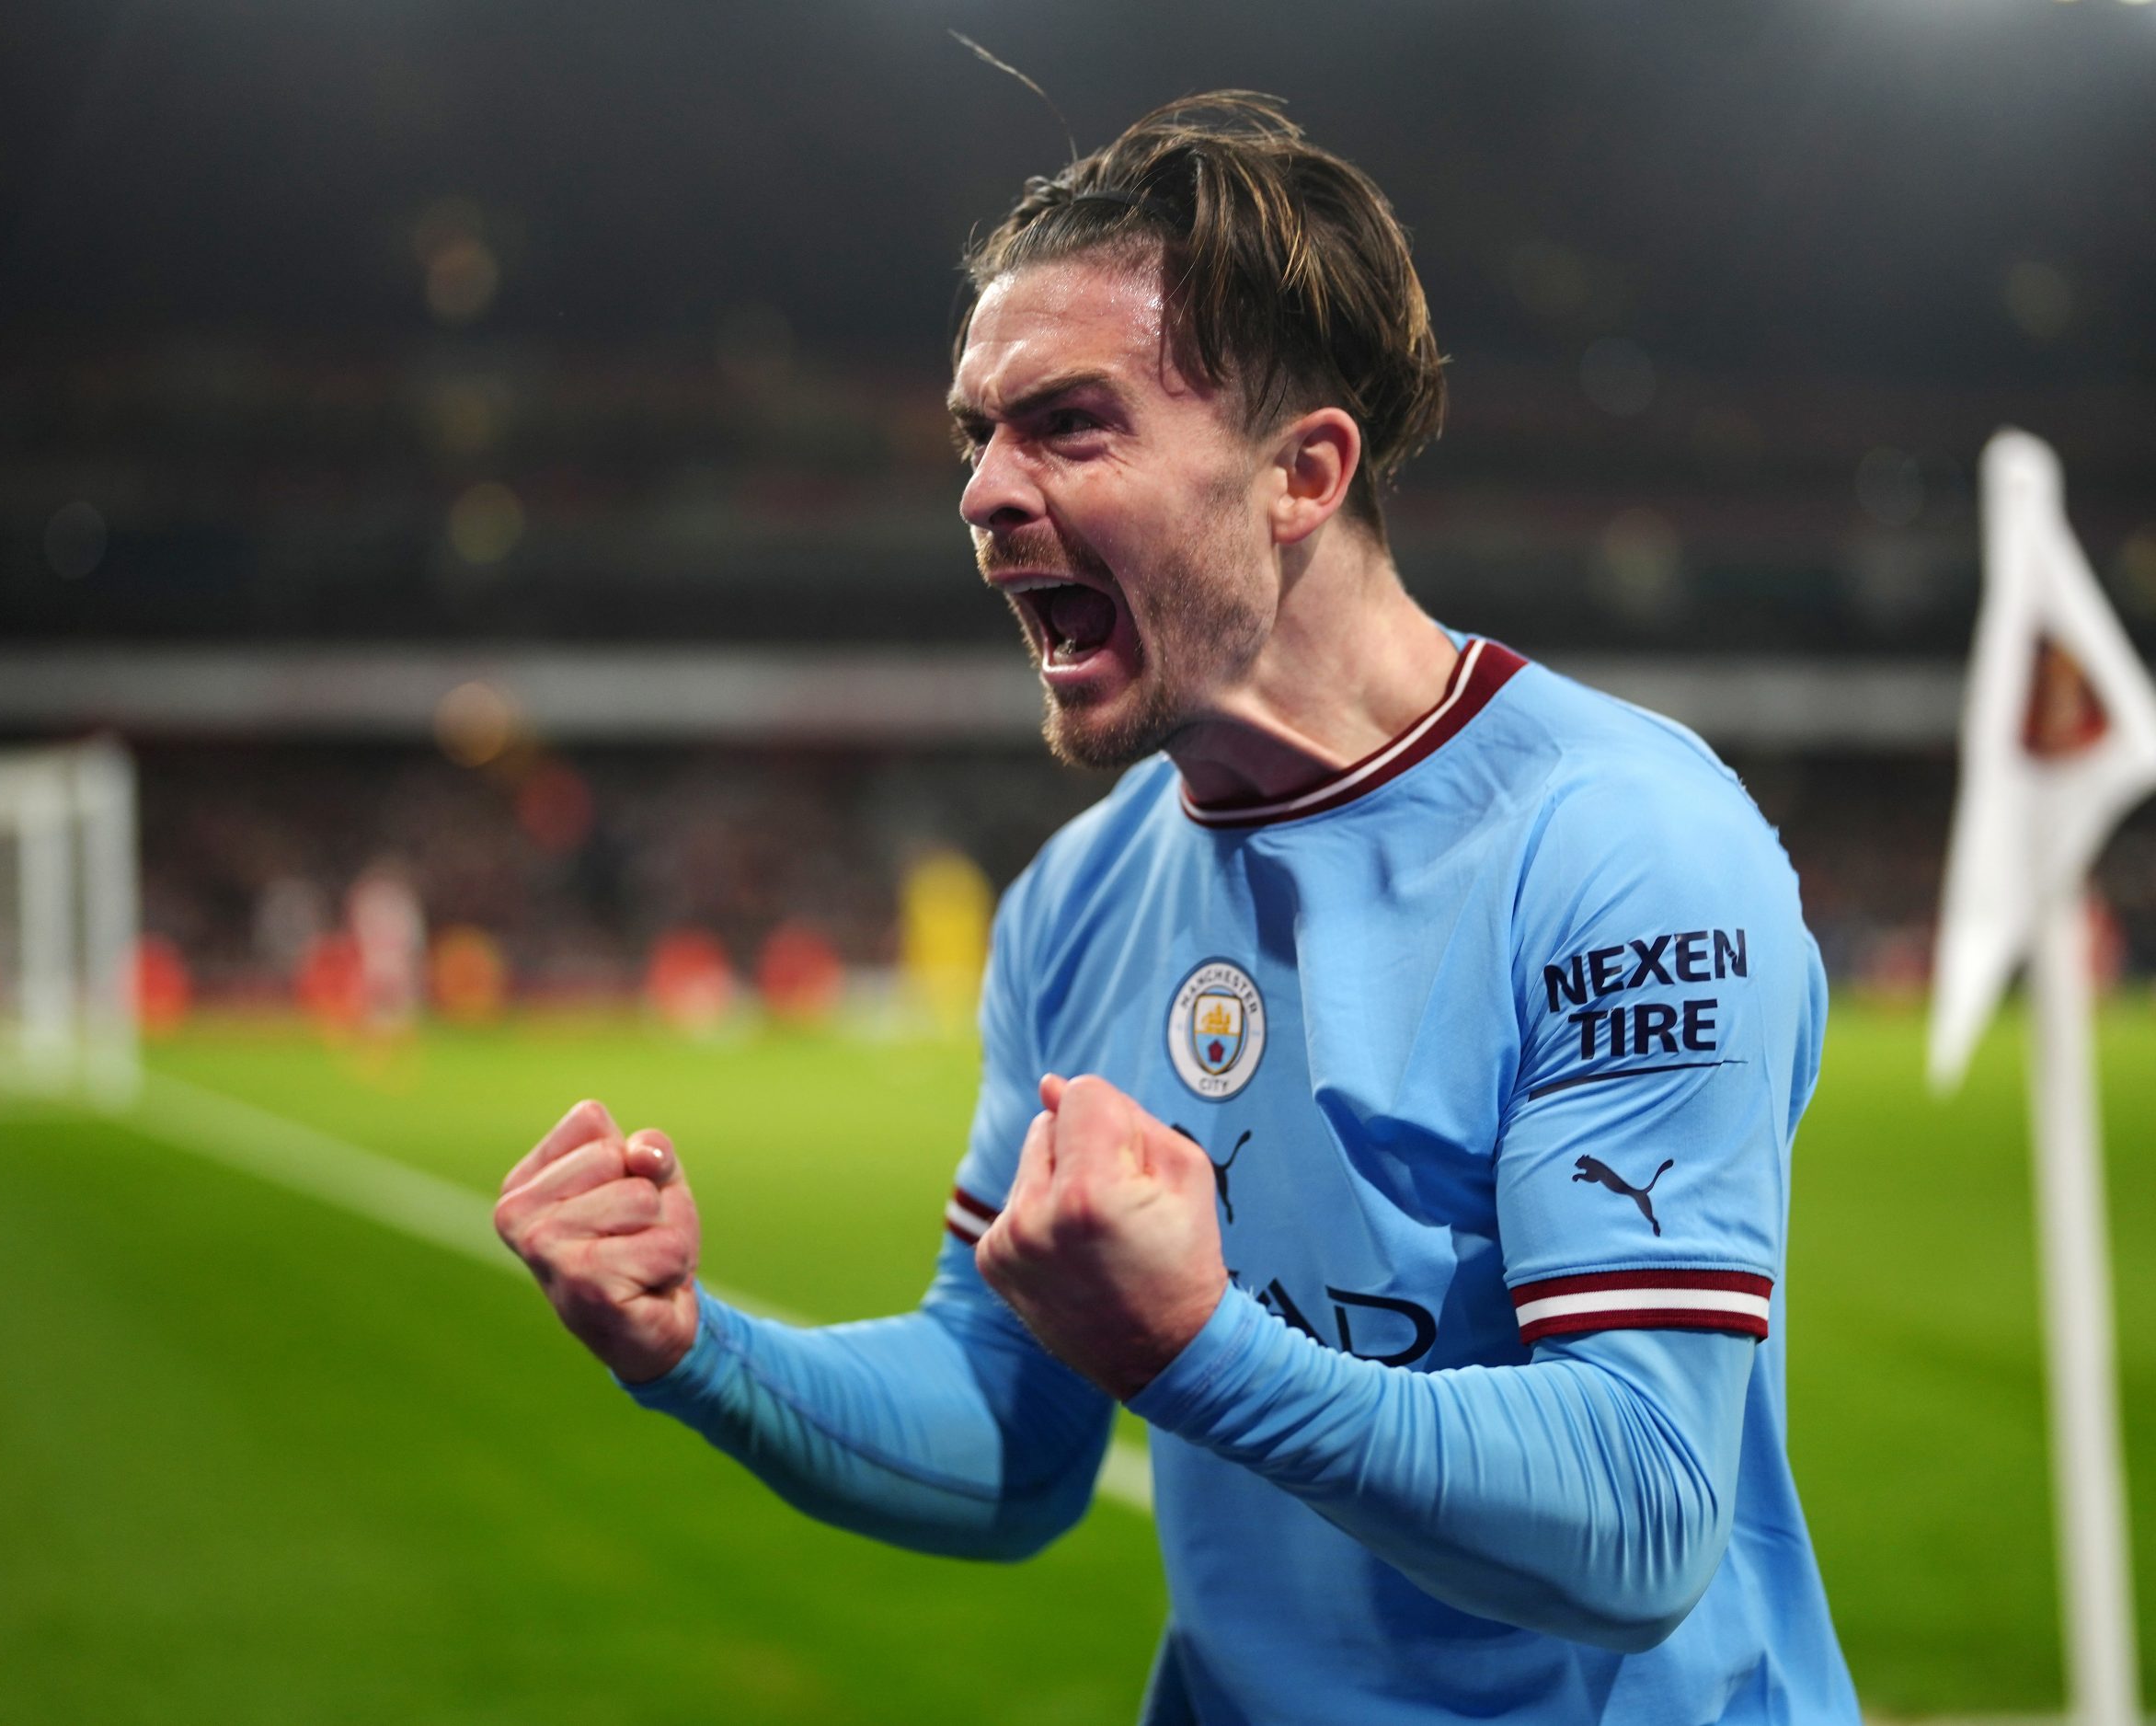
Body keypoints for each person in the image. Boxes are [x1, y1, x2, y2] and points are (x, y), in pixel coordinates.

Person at [493, 94, 1862, 1723]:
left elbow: (1642, 1521)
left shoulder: (1624, 846)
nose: (984, 493)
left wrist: (1197, 1347)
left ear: (1303, 472)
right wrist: (696, 1347)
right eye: (974, 435)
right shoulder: (1078, 898)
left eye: (1069, 423)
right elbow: (1010, 1435)